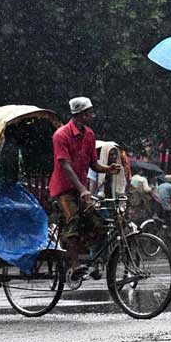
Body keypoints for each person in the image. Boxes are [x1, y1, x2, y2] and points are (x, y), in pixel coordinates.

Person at [49, 97, 121, 283]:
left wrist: (108, 169)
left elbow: (93, 164)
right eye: (89, 113)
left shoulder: (89, 135)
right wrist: (82, 190)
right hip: (64, 190)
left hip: (81, 190)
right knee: (73, 220)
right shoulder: (61, 135)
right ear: (80, 115)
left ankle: (91, 261)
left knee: (98, 223)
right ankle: (74, 266)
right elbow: (65, 165)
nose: (92, 116)